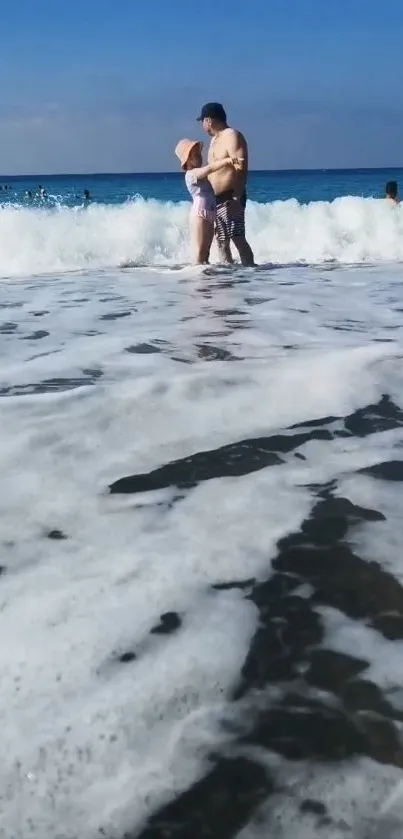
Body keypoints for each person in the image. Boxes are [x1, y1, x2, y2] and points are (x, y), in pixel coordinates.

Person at [197, 102, 255, 266]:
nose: (202, 125)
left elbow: (241, 166)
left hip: (231, 196)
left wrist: (237, 196)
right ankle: (229, 277)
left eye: (202, 121)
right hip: (217, 199)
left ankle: (251, 272)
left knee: (237, 237)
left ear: (208, 120)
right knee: (222, 240)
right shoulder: (215, 140)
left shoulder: (231, 135)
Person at [175, 138, 241, 264]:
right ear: (187, 161)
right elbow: (210, 168)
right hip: (200, 214)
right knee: (200, 251)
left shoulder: (203, 176)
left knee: (206, 252)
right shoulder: (191, 174)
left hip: (211, 214)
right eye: (195, 155)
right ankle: (198, 279)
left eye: (199, 153)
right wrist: (227, 160)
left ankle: (207, 280)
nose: (199, 156)